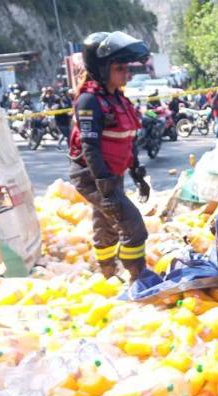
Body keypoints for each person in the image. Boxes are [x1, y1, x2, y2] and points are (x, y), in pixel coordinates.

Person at [68, 31, 152, 282]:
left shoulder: (116, 98)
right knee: (133, 226)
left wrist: (136, 173)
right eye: (119, 68)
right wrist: (105, 189)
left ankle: (107, 275)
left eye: (127, 68)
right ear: (102, 68)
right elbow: (89, 147)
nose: (126, 74)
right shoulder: (89, 101)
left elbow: (127, 138)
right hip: (92, 175)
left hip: (110, 173)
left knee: (105, 225)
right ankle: (140, 280)